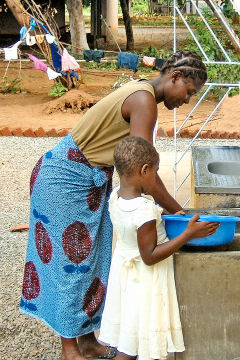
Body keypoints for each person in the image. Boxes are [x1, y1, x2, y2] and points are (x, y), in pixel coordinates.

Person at [19, 50, 208, 360]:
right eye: (188, 92)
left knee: (93, 259)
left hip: (86, 180)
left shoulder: (142, 91)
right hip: (65, 179)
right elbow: (143, 171)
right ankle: (70, 349)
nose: (186, 100)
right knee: (71, 264)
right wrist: (177, 210)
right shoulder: (144, 101)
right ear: (174, 77)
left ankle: (89, 341)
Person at [99, 136, 219, 360]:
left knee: (131, 339)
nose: (156, 176)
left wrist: (162, 215)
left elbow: (132, 225)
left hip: (126, 276)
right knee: (136, 345)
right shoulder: (144, 209)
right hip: (146, 280)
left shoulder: (116, 196)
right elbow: (150, 256)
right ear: (144, 170)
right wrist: (188, 234)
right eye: (155, 171)